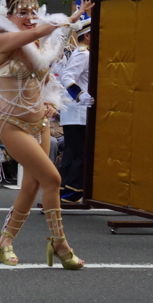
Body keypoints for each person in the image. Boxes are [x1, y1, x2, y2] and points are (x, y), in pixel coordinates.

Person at [0, 0, 90, 269]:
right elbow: (36, 31)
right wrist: (66, 21)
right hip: (14, 125)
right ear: (7, 17)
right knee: (53, 178)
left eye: (34, 11)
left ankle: (5, 240)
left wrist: (49, 101)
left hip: (40, 125)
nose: (30, 16)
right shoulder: (4, 42)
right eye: (22, 12)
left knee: (32, 185)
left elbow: (49, 80)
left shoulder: (37, 45)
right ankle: (59, 244)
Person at [58, 22, 93, 203]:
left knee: (73, 151)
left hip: (77, 110)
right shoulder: (83, 53)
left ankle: (66, 191)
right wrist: (79, 95)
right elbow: (67, 76)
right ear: (87, 35)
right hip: (79, 109)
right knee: (79, 152)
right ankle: (72, 192)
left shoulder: (82, 52)